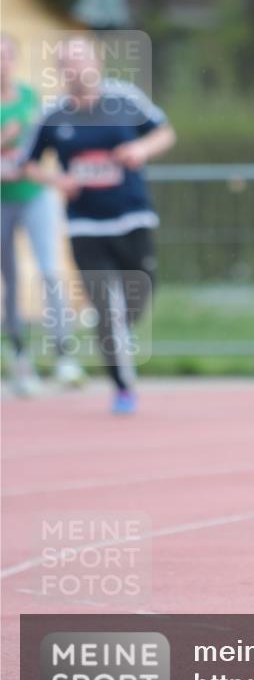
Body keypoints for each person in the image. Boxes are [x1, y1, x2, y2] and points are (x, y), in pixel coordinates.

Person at [22, 36, 175, 414]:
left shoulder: (125, 98)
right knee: (105, 309)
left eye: (81, 59)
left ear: (97, 61)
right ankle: (122, 387)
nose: (76, 68)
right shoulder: (54, 114)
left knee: (141, 290)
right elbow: (28, 163)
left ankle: (119, 326)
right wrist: (58, 181)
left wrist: (140, 150)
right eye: (68, 63)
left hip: (131, 216)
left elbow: (164, 132)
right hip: (84, 225)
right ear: (60, 71)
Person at [1, 33, 84, 395]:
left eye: (5, 56)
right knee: (9, 278)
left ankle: (63, 354)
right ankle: (20, 358)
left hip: (35, 196)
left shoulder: (32, 99)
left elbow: (36, 151)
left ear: (14, 60)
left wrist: (53, 178)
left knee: (50, 271)